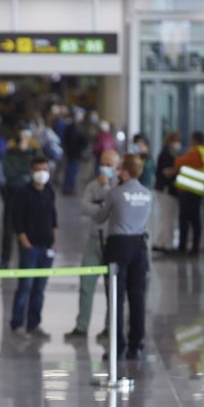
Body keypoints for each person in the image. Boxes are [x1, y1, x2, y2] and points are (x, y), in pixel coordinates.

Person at [94, 154, 152, 360]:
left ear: (125, 171)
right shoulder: (147, 193)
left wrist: (104, 191)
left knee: (116, 299)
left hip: (118, 246)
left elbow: (99, 217)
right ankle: (136, 344)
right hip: (139, 245)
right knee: (137, 298)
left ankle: (118, 345)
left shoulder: (115, 193)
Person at [65, 150, 120, 340]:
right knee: (86, 285)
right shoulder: (92, 186)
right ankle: (82, 326)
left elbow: (116, 210)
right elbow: (85, 207)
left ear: (117, 166)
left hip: (112, 242)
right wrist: (104, 210)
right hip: (93, 240)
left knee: (111, 287)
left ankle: (109, 327)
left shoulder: (119, 187)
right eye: (103, 162)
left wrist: (105, 193)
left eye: (109, 164)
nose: (105, 167)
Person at [10, 156, 57, 339]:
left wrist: (54, 239)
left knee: (39, 288)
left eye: (45, 169)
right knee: (25, 287)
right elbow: (17, 221)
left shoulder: (50, 191)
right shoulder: (23, 193)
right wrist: (25, 243)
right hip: (30, 248)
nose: (42, 174)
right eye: (38, 170)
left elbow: (54, 218)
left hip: (47, 247)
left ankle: (34, 324)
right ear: (31, 172)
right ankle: (17, 324)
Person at [0, 127, 37, 268]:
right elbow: (10, 172)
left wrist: (26, 154)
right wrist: (23, 165)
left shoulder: (33, 153)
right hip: (11, 193)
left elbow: (34, 169)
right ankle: (5, 259)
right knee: (8, 228)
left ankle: (26, 260)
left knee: (27, 228)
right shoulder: (9, 154)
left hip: (27, 194)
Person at [174, 131, 204, 256]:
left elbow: (178, 162)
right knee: (196, 220)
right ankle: (195, 247)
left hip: (189, 189)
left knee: (185, 220)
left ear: (195, 140)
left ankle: (183, 246)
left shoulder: (195, 152)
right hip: (198, 189)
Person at [153, 132, 181, 253]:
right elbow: (165, 172)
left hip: (171, 191)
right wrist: (179, 168)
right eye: (176, 141)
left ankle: (159, 242)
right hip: (165, 191)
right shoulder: (165, 155)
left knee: (168, 218)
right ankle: (168, 245)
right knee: (168, 219)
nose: (178, 143)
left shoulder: (173, 154)